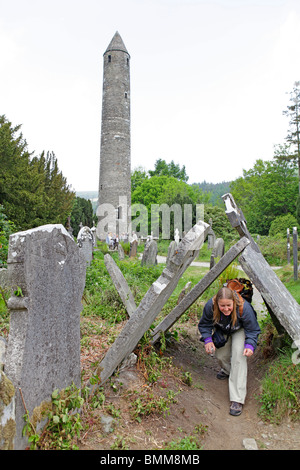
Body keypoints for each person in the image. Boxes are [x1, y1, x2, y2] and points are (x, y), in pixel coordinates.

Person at [198, 286, 261, 416]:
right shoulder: (210, 306)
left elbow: (253, 329)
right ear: (216, 304)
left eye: (228, 305)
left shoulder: (245, 308)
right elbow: (204, 324)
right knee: (220, 355)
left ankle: (237, 399)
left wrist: (249, 345)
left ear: (234, 302)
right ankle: (228, 371)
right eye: (222, 306)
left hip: (240, 329)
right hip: (223, 329)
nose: (226, 309)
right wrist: (208, 340)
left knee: (238, 356)